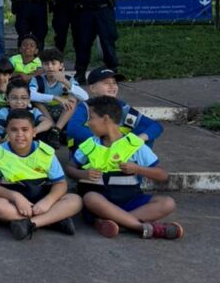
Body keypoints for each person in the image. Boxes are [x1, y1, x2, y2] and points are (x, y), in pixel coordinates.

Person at [65, 96, 182, 240]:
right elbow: (70, 168)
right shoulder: (89, 144)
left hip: (130, 200)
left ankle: (116, 223)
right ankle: (141, 227)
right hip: (101, 203)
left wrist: (138, 169)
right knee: (90, 198)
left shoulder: (134, 144)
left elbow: (162, 175)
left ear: (105, 119)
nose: (88, 123)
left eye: (92, 118)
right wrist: (82, 174)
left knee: (168, 203)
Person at [0, 109, 82, 240]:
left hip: (42, 198)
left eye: (25, 130)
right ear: (7, 132)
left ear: (34, 132)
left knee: (75, 200)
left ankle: (30, 223)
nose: (19, 134)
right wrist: (16, 197)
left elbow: (61, 184)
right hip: (14, 201)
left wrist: (47, 201)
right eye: (14, 130)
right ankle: (53, 220)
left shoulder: (45, 151)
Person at [65, 67, 164, 148]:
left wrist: (139, 138)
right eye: (106, 83)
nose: (112, 86)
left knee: (144, 130)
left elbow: (155, 126)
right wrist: (106, 141)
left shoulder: (122, 107)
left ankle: (138, 163)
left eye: (114, 82)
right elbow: (73, 129)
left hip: (116, 150)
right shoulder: (86, 107)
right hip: (92, 153)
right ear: (93, 88)